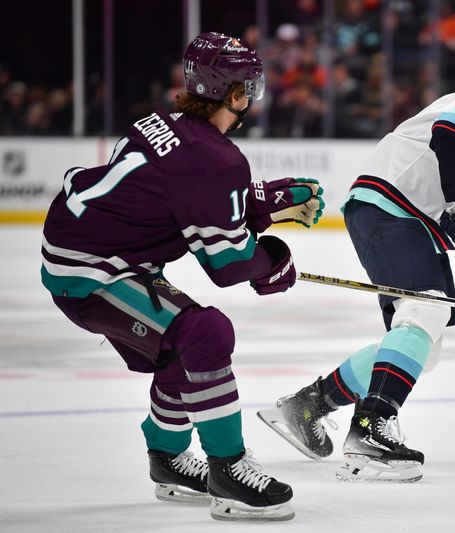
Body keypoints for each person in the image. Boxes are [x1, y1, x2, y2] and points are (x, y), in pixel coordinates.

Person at [259, 32, 455, 482]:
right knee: (427, 308)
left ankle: (307, 407)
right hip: (392, 206)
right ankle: (370, 432)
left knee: (422, 347)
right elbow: (452, 135)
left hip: (408, 219)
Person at [40, 32, 324, 520]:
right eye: (249, 89)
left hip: (82, 247)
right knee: (207, 332)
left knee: (180, 345)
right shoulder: (218, 161)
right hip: (91, 272)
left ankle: (168, 458)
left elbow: (181, 190)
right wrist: (273, 261)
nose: (251, 99)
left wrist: (263, 201)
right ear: (235, 95)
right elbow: (229, 264)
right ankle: (228, 468)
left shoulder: (161, 122)